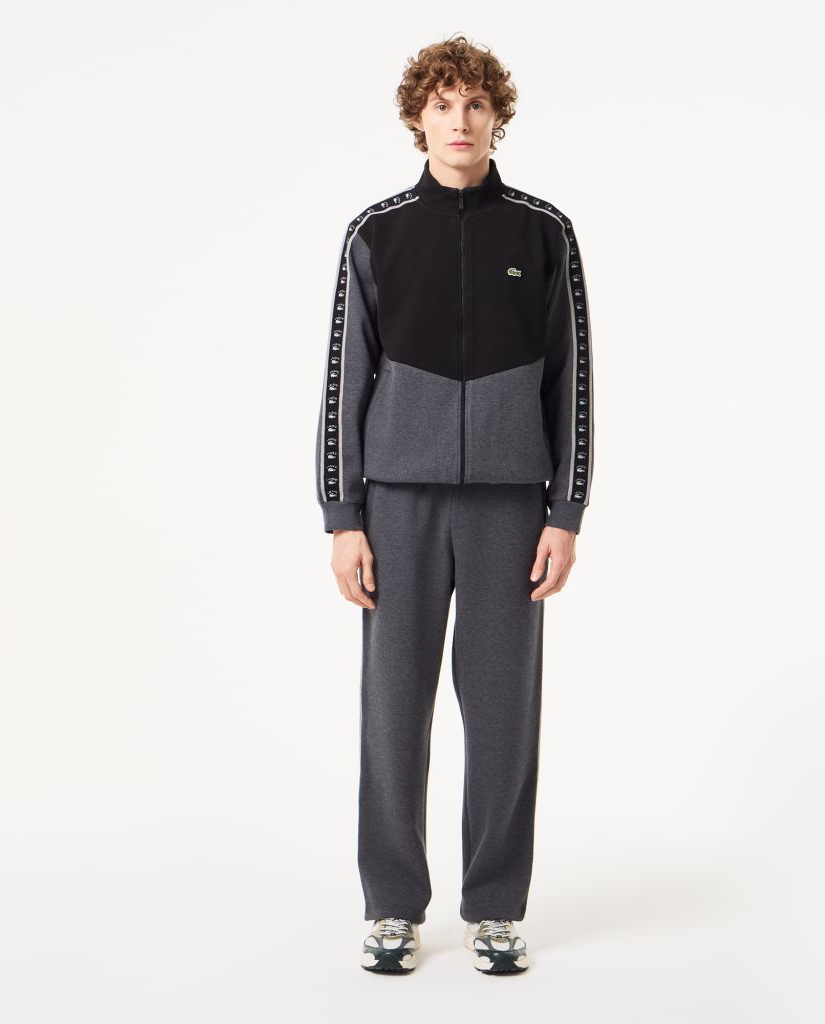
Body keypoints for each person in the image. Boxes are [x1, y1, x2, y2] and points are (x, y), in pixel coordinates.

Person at [314, 33, 595, 974]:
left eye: (476, 103)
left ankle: (496, 907)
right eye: (443, 104)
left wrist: (565, 511)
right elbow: (344, 381)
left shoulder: (543, 232)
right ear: (417, 118)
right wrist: (343, 517)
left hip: (511, 508)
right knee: (394, 709)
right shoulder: (377, 233)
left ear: (496, 116)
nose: (460, 120)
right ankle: (392, 906)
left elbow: (572, 379)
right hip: (396, 504)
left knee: (504, 713)